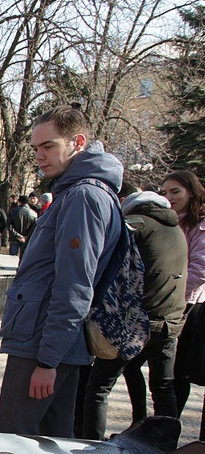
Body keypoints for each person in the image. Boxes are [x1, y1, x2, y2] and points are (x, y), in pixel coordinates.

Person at [0, 105, 124, 437]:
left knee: (16, 444)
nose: (40, 155)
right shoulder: (78, 192)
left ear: (77, 142)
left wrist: (48, 361)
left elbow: (75, 287)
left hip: (44, 346)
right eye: (36, 149)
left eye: (49, 146)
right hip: (47, 343)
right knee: (48, 443)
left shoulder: (83, 196)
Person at [81, 186, 186, 440]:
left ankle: (90, 443)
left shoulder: (136, 224)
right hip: (169, 320)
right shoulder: (174, 228)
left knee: (98, 387)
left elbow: (106, 262)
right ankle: (164, 444)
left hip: (136, 323)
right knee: (162, 387)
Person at [162, 170, 205, 439]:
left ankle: (168, 430)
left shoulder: (200, 223)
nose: (169, 197)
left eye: (175, 191)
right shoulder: (171, 221)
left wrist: (174, 293)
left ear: (191, 191)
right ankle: (155, 427)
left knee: (177, 374)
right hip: (166, 304)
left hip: (188, 306)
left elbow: (200, 269)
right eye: (165, 192)